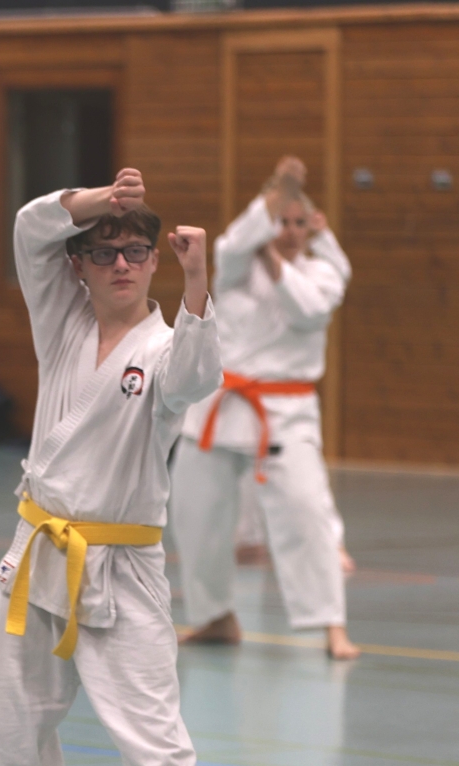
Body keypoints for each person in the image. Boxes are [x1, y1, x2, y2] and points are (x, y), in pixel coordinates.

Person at [0, 169, 283, 766]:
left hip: (123, 567)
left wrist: (199, 278)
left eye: (137, 252)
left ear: (154, 263)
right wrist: (96, 202)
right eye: (104, 252)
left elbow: (199, 376)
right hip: (37, 551)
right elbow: (29, 228)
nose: (122, 264)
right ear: (76, 265)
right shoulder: (61, 321)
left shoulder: (167, 347)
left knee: (154, 737)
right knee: (6, 727)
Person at [173, 156, 359, 661]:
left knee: (306, 512)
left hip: (285, 411)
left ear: (312, 228)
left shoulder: (325, 272)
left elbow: (307, 310)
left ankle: (331, 625)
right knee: (194, 512)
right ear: (266, 222)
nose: (289, 231)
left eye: (299, 222)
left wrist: (273, 258)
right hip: (220, 405)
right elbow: (229, 246)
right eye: (280, 221)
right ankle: (214, 616)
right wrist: (281, 188)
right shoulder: (238, 268)